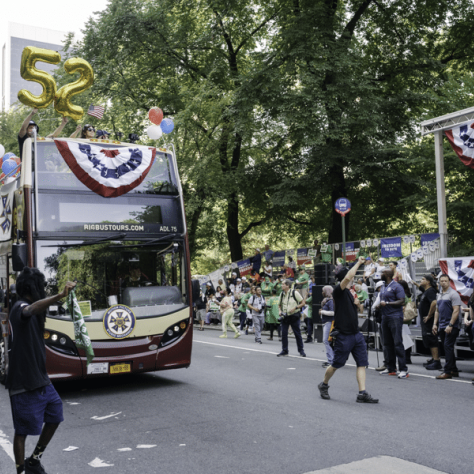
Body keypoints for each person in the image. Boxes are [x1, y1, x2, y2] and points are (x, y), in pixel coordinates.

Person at [5, 267, 76, 474]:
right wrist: (60, 295)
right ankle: (21, 470)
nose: (43, 289)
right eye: (42, 286)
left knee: (55, 415)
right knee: (22, 431)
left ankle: (34, 460)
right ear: (33, 287)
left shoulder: (33, 309)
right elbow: (30, 309)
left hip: (41, 379)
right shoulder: (20, 306)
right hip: (23, 382)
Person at [318, 257, 378, 403]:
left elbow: (356, 311)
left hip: (356, 334)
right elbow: (349, 276)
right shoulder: (338, 290)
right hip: (344, 335)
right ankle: (324, 384)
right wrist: (358, 263)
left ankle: (362, 393)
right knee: (337, 364)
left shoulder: (351, 293)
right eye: (349, 275)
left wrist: (358, 304)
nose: (353, 277)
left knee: (362, 363)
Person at [379, 269, 408, 378]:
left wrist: (387, 303)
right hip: (385, 317)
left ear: (388, 275)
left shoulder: (397, 286)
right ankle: (391, 367)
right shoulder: (383, 286)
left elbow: (402, 301)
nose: (381, 275)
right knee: (387, 343)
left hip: (395, 317)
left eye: (382, 273)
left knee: (397, 343)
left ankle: (403, 369)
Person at [433, 274, 462, 379]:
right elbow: (437, 311)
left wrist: (450, 325)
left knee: (448, 347)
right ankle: (453, 370)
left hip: (451, 326)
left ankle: (448, 371)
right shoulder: (439, 294)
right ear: (439, 282)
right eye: (441, 281)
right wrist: (435, 324)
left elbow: (456, 311)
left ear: (449, 282)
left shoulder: (454, 294)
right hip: (441, 325)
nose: (443, 283)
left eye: (445, 281)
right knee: (447, 348)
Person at [276, 279, 306, 357]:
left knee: (297, 333)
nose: (281, 286)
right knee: (284, 334)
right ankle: (284, 350)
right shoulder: (282, 294)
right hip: (285, 316)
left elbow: (303, 303)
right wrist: (280, 311)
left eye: (283, 284)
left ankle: (301, 350)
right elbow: (279, 305)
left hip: (294, 315)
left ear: (287, 285)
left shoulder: (294, 292)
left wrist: (295, 307)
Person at [419, 275, 441, 370]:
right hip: (425, 321)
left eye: (423, 279)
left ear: (428, 281)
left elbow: (434, 302)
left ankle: (436, 361)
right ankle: (433, 359)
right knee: (428, 338)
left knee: (432, 338)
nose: (421, 280)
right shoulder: (426, 291)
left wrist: (429, 315)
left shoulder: (431, 291)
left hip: (430, 320)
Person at [320, 285, 335, 368]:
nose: (322, 292)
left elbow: (333, 312)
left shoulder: (331, 301)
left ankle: (331, 360)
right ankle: (331, 359)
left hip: (329, 322)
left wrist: (322, 312)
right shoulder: (326, 300)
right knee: (327, 341)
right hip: (325, 322)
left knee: (326, 340)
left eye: (323, 291)